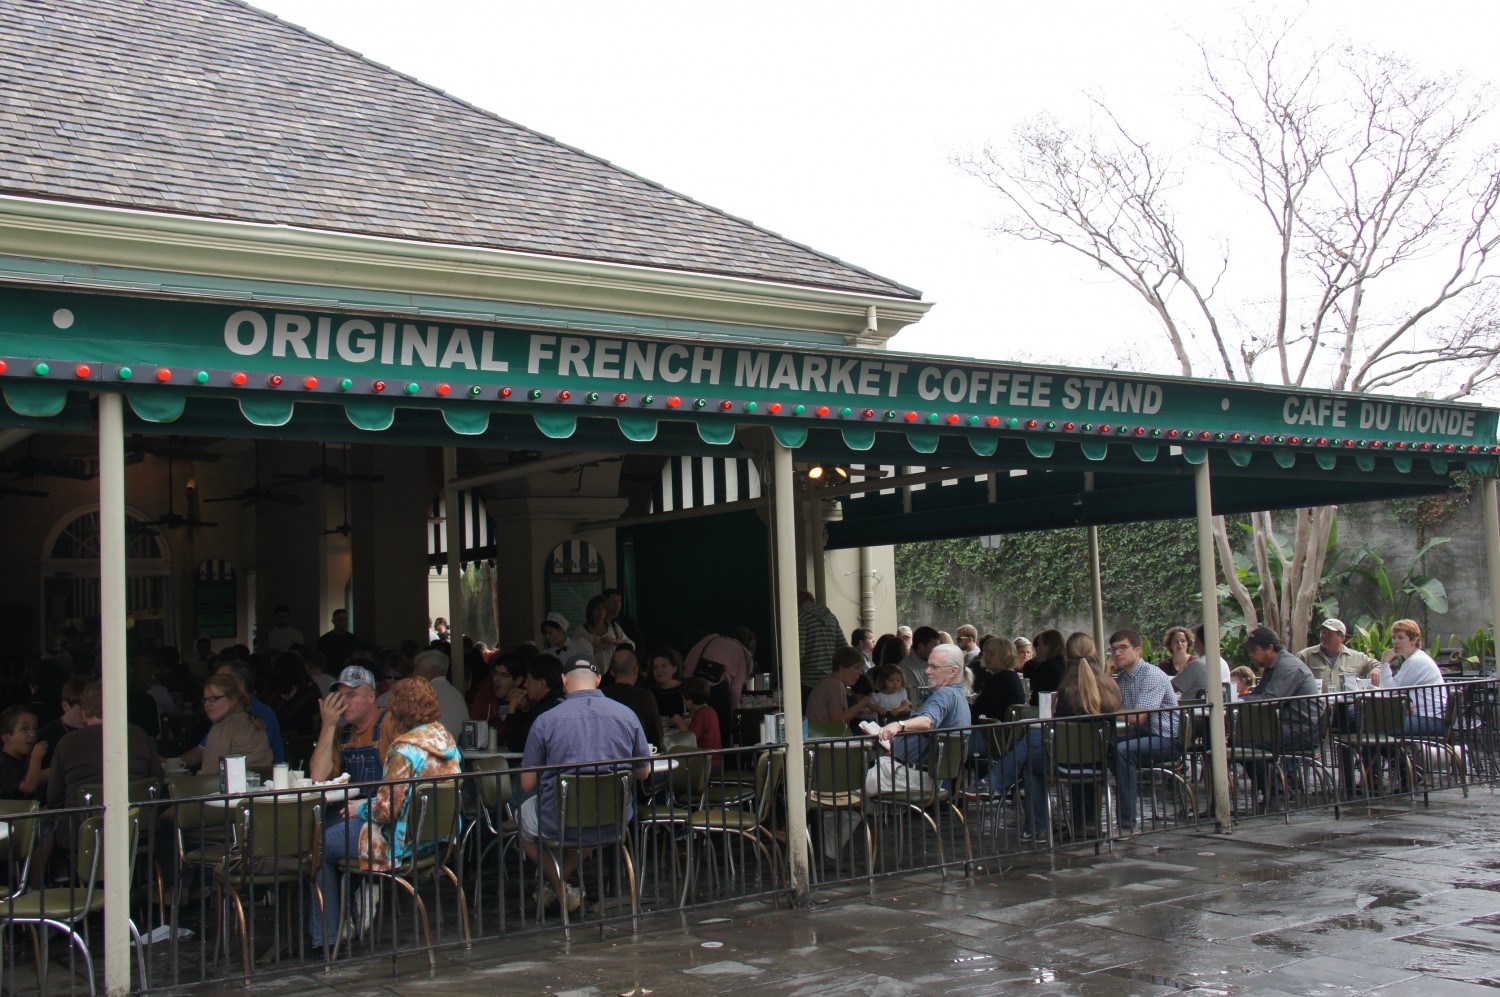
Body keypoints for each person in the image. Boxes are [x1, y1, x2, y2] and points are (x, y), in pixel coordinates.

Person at [311, 676, 462, 949]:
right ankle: (357, 902)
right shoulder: (444, 738)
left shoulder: (405, 749)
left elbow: (386, 809)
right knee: (337, 837)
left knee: (321, 845)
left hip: (400, 842)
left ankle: (327, 937)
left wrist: (362, 808)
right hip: (436, 838)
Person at [519, 657, 650, 913]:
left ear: (564, 681)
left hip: (559, 818)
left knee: (524, 820)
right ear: (599, 680)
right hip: (612, 819)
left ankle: (557, 887)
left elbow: (527, 783)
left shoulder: (546, 721)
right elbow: (643, 773)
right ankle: (560, 888)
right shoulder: (627, 716)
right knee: (588, 826)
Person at [980, 635, 1119, 838]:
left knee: (1031, 761)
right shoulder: (1110, 688)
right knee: (1035, 746)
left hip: (1066, 762)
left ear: (1067, 657)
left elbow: (1056, 732)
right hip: (1100, 761)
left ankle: (1036, 826)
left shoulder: (1066, 693)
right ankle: (1086, 822)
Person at [870, 643, 971, 797]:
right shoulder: (958, 696)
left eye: (934, 667)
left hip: (914, 778)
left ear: (953, 671)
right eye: (928, 666)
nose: (927, 671)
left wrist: (898, 725)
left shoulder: (944, 694)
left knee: (847, 791)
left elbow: (927, 721)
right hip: (921, 776)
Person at [1107, 628, 1181, 838]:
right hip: (1144, 736)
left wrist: (1107, 711)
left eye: (1123, 648)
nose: (1117, 654)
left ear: (1138, 651)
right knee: (1107, 746)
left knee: (1122, 751)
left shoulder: (1152, 674)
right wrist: (1105, 674)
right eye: (1113, 650)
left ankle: (1128, 823)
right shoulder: (1122, 679)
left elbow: (1139, 716)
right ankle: (1097, 816)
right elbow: (1103, 700)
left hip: (1167, 738)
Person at [309, 665, 395, 785]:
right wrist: (327, 725)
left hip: (382, 802)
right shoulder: (340, 734)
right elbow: (318, 778)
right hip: (348, 803)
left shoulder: (391, 722)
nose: (343, 702)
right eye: (340, 696)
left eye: (351, 695)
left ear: (371, 697)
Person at [175, 672, 273, 774]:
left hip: (234, 788)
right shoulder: (250, 720)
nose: (207, 704)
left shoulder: (223, 728)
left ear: (233, 699)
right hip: (260, 786)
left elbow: (208, 776)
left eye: (214, 699)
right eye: (205, 700)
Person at [1374, 618, 1448, 736]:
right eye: (1394, 637)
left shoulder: (1415, 661)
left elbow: (1388, 691)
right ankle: (1392, 754)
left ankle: (1391, 754)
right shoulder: (1416, 658)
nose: (1395, 642)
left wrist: (1385, 663)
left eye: (1400, 637)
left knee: (1373, 725)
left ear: (1414, 640)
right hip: (1429, 718)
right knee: (1375, 724)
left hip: (1430, 720)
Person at [216, 661, 287, 764]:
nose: (216, 686)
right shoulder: (224, 712)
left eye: (223, 681)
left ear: (240, 684)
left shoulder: (260, 712)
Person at [603, 648, 664, 751]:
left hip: (606, 756)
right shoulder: (645, 697)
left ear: (612, 672)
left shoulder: (601, 695)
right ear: (636, 670)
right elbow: (656, 733)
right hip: (637, 757)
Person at [1297, 619, 1380, 691]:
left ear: (1341, 637)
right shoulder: (1305, 656)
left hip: (1346, 706)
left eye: (1329, 634)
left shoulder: (1357, 657)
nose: (1324, 637)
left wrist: (1376, 670)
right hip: (1317, 706)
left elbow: (1379, 665)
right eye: (1322, 633)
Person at [505, 656, 565, 754]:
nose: (525, 685)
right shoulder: (559, 700)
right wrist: (525, 709)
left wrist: (511, 709)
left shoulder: (545, 710)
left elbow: (516, 744)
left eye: (528, 680)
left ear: (542, 683)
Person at [806, 647, 874, 728]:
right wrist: (861, 704)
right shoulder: (835, 684)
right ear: (841, 666)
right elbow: (837, 721)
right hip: (824, 737)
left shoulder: (828, 681)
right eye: (856, 668)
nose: (860, 673)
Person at [411, 648, 469, 741]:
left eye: (417, 668)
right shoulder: (456, 693)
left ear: (432, 670)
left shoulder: (425, 693)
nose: (413, 674)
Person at [797, 591, 846, 693]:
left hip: (810, 680)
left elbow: (799, 652)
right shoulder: (831, 617)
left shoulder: (801, 617)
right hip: (833, 678)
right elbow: (843, 648)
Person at [669, 677, 723, 767]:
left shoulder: (701, 714)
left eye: (683, 699)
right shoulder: (710, 711)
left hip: (707, 764)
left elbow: (689, 739)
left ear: (690, 702)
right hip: (715, 760)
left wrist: (678, 721)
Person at [973, 635, 1027, 722]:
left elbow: (978, 711)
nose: (987, 657)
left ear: (1005, 656)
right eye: (986, 653)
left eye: (992, 654)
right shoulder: (1011, 676)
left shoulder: (1000, 680)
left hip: (993, 732)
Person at [1173, 625, 1234, 702]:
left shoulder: (1196, 665)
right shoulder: (1223, 663)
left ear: (1197, 641)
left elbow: (1171, 687)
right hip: (1218, 710)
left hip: (1193, 712)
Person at [0, 705, 46, 801]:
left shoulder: (24, 758)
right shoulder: (3, 763)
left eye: (34, 728)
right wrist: (36, 758)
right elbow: (28, 787)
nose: (33, 734)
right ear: (7, 737)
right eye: (25, 729)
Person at [574, 594, 633, 662]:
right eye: (597, 608)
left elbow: (631, 645)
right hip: (589, 670)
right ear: (591, 610)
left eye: (603, 608)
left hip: (613, 670)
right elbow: (573, 655)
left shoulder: (613, 627)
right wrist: (593, 650)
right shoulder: (581, 631)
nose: (601, 611)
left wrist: (615, 641)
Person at [897, 626, 941, 708]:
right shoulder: (904, 668)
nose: (937, 652)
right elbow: (913, 700)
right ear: (921, 646)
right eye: (934, 648)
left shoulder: (938, 663)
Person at [1023, 629, 1066, 705]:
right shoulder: (1068, 663)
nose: (1036, 649)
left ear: (1048, 646)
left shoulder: (1046, 668)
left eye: (1039, 644)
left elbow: (1036, 700)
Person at [316, 608, 363, 675]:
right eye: (340, 620)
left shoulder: (353, 639)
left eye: (345, 619)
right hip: (331, 673)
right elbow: (320, 660)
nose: (343, 622)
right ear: (333, 621)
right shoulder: (325, 640)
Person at [646, 647, 687, 720]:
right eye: (655, 667)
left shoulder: (687, 689)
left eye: (664, 666)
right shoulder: (651, 694)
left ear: (675, 668)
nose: (659, 671)